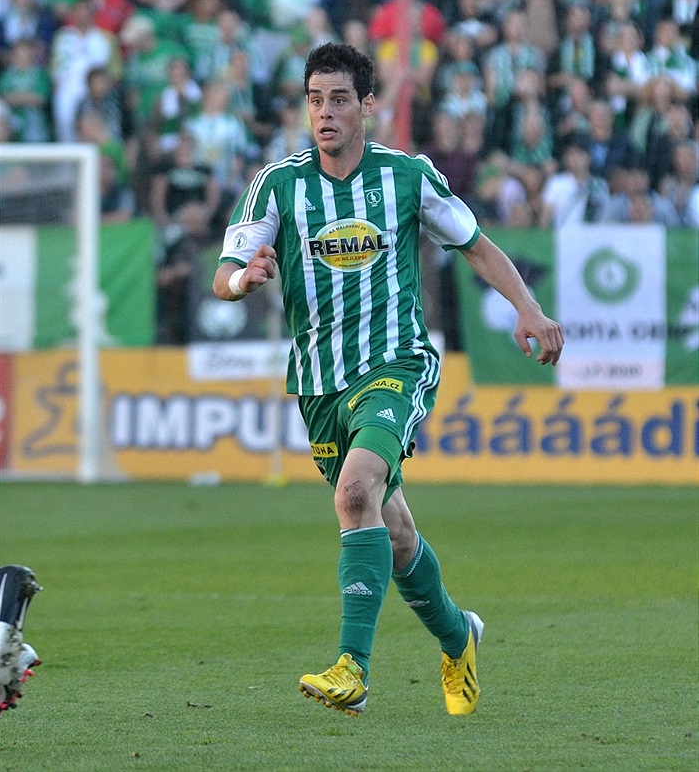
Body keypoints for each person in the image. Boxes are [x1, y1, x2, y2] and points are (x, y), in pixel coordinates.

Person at [212, 42, 564, 717]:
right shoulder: (277, 185)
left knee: (354, 492)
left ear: (368, 105)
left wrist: (528, 308)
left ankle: (354, 666)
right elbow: (225, 271)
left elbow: (478, 246)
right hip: (319, 384)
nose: (325, 113)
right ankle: (459, 636)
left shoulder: (406, 176)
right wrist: (241, 279)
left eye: (340, 98)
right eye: (315, 99)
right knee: (394, 533)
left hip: (395, 363)